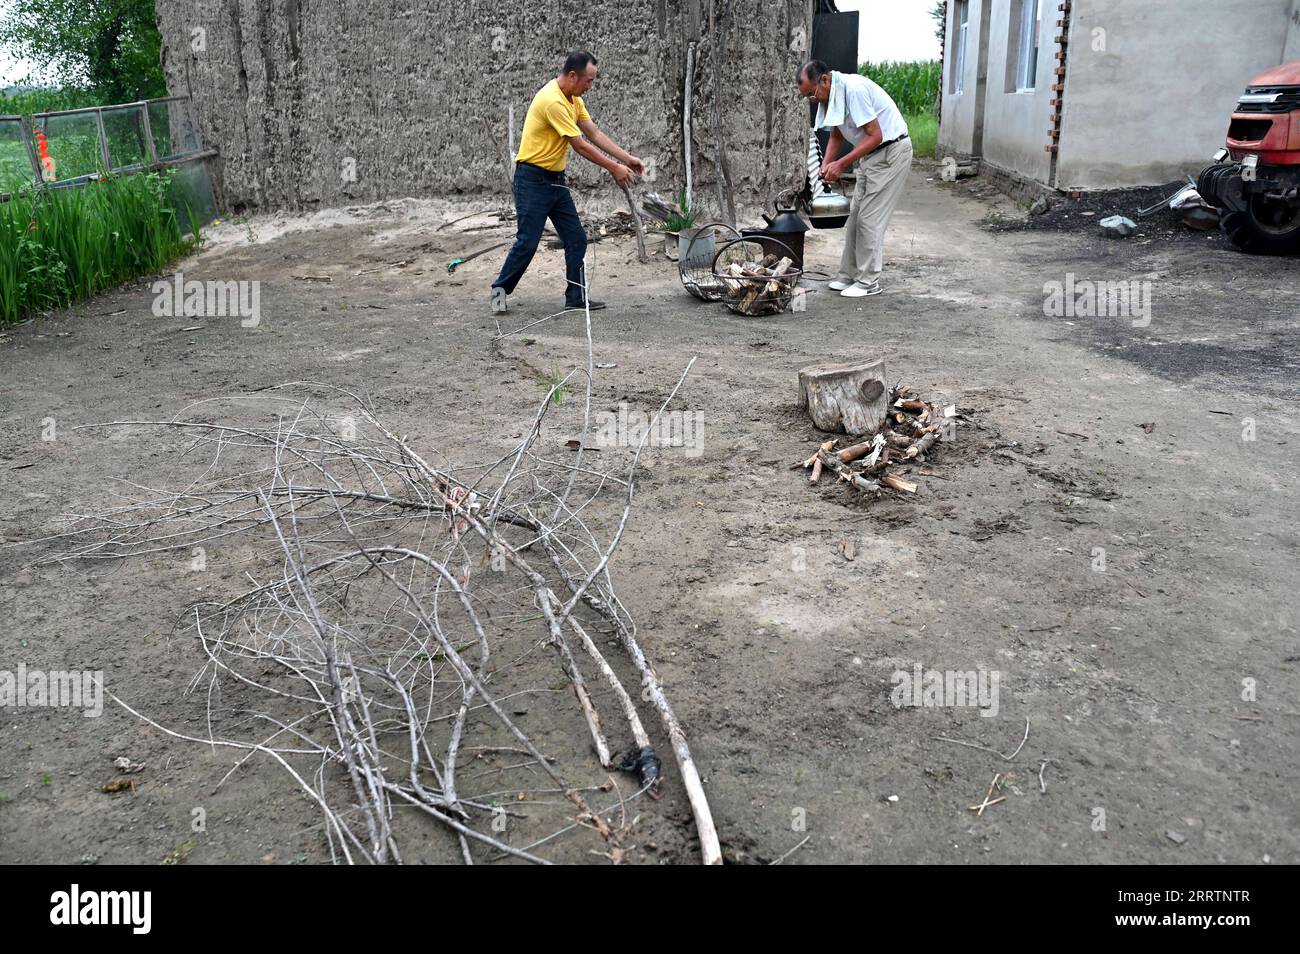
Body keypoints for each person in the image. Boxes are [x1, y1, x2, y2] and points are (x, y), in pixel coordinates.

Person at [491, 50, 645, 313]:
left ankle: (575, 297)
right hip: (532, 180)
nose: (590, 86)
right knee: (527, 242)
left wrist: (626, 158)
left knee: (576, 239)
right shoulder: (553, 101)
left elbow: (594, 133)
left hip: (555, 181)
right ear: (572, 75)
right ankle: (499, 291)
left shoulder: (573, 99)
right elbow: (580, 146)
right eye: (588, 80)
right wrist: (613, 168)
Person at [797, 60, 912, 298]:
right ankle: (848, 275)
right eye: (808, 96)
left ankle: (869, 281)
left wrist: (842, 164)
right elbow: (838, 135)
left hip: (891, 153)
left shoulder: (855, 90)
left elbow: (876, 135)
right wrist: (827, 164)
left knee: (870, 218)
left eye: (812, 94)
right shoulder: (833, 95)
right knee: (856, 216)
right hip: (871, 158)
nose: (813, 100)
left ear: (825, 80)